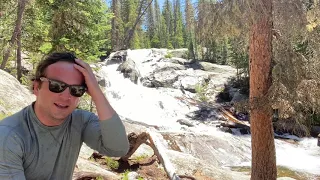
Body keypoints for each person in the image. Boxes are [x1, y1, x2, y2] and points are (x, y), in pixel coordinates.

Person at [0, 52, 130, 179]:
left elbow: (118, 149)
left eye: (76, 90)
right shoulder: (8, 135)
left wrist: (96, 92)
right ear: (36, 87)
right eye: (56, 86)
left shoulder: (81, 121)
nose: (66, 96)